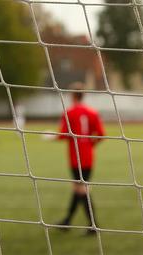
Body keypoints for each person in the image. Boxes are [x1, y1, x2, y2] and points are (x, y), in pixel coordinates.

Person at [56, 82, 105, 235]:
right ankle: (67, 221)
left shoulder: (69, 113)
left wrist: (52, 137)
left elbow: (63, 135)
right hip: (88, 157)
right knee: (79, 189)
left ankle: (93, 225)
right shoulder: (93, 112)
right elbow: (101, 135)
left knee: (81, 190)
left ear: (72, 95)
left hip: (75, 158)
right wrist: (90, 145)